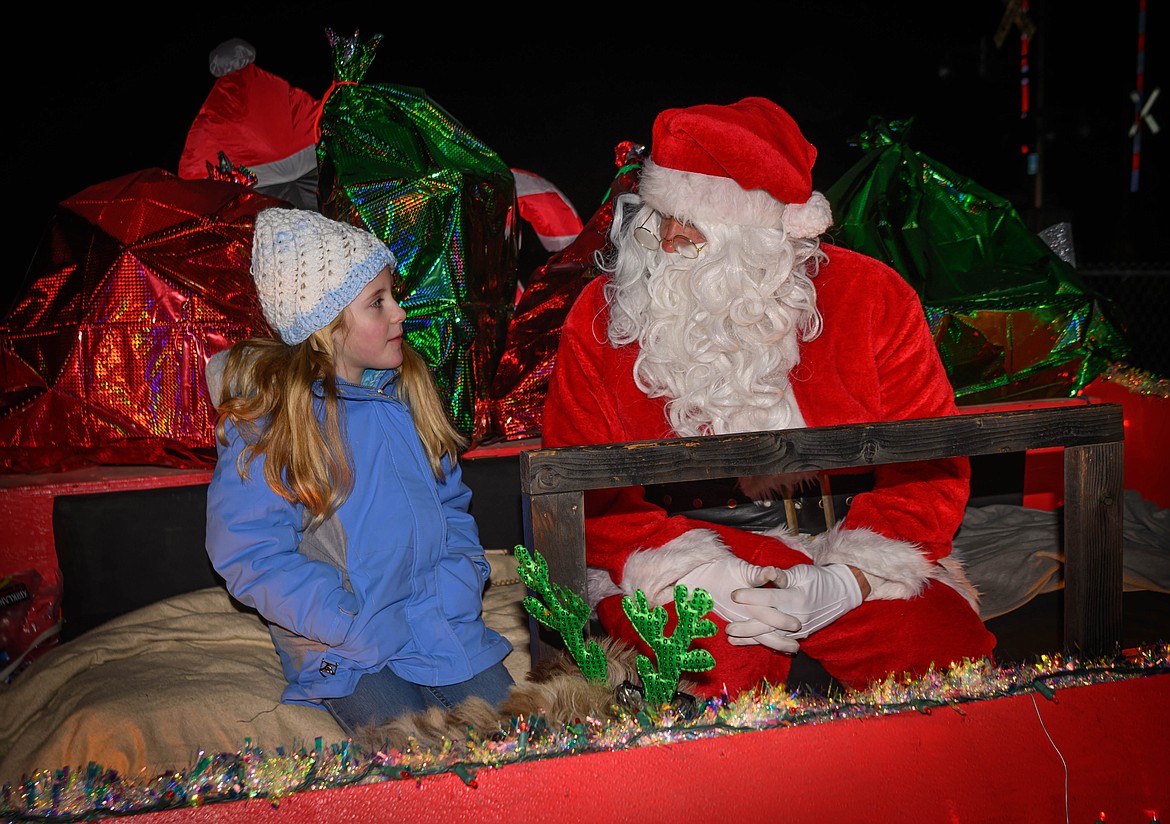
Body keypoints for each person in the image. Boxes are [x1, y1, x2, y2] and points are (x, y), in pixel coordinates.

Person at [541, 97, 996, 699]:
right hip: (679, 557)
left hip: (847, 549)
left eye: (697, 221)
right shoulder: (603, 318)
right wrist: (693, 569)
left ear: (763, 230)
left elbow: (932, 465)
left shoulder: (870, 298)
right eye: (660, 215)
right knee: (715, 674)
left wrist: (852, 577)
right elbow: (581, 485)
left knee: (942, 656)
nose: (671, 237)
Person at [204, 207, 513, 736]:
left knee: (528, 745)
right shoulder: (274, 421)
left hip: (439, 621)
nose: (399, 313)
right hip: (348, 646)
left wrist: (463, 579)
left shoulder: (409, 391)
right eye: (377, 302)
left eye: (392, 296)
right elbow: (247, 551)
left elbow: (450, 506)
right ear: (326, 326)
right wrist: (343, 620)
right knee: (415, 760)